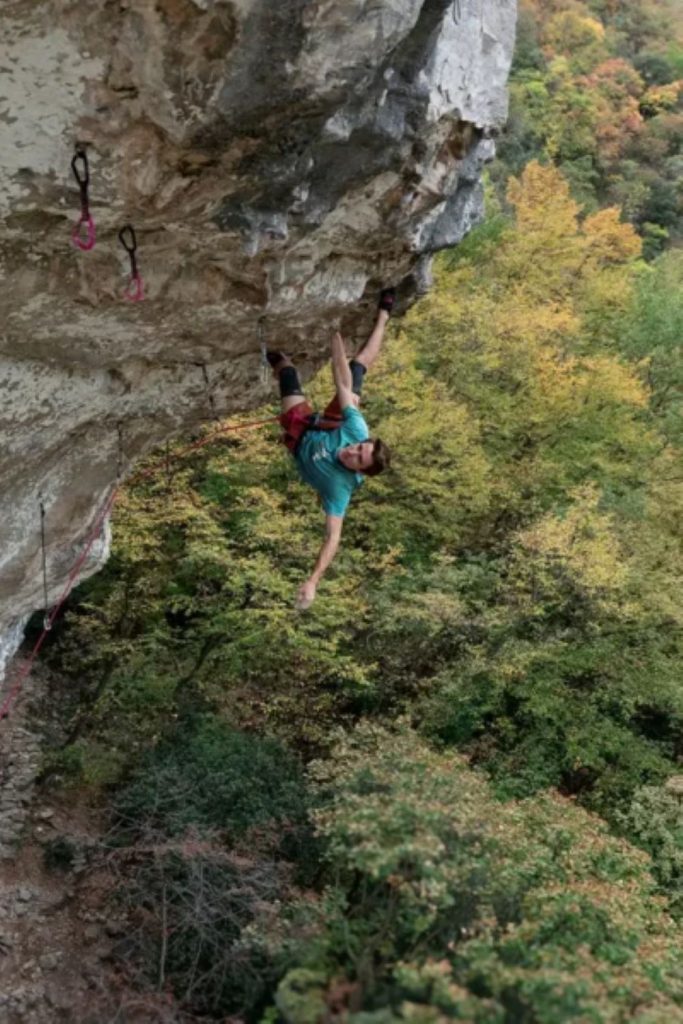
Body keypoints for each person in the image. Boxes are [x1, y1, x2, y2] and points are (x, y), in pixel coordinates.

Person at [267, 289, 395, 609]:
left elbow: (332, 539)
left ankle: (271, 353)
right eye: (357, 449)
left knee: (285, 368)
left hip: (302, 434)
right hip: (327, 423)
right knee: (357, 368)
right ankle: (383, 316)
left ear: (359, 472)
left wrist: (313, 580)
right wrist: (334, 337)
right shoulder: (356, 431)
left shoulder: (339, 490)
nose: (351, 453)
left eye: (357, 460)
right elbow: (343, 384)